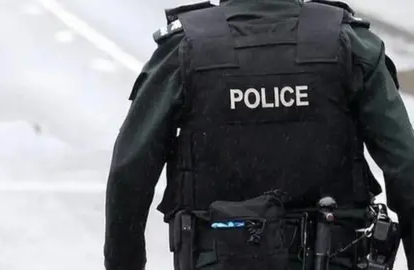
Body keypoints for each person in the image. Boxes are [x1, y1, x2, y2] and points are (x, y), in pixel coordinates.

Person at [103, 0, 414, 269]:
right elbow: (406, 168)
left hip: (219, 259)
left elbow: (130, 173)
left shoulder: (184, 49)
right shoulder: (348, 43)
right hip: (335, 258)